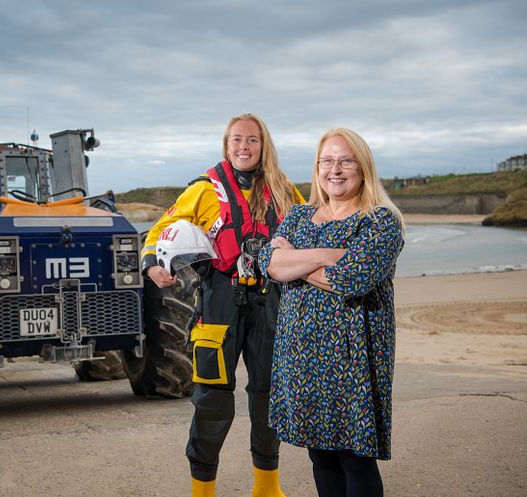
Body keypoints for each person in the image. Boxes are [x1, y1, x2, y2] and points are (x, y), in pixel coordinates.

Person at [141, 113, 305, 497]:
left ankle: (267, 487)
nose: (243, 147)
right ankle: (203, 491)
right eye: (236, 140)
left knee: (268, 396)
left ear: (264, 145)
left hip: (272, 302)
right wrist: (153, 266)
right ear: (226, 145)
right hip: (218, 304)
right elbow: (159, 231)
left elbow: (310, 227)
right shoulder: (203, 190)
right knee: (211, 401)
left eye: (251, 140)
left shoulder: (284, 190)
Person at [258, 128, 404, 497]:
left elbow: (353, 279)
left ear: (362, 166)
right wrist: (327, 255)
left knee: (356, 457)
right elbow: (268, 264)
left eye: (345, 161)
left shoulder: (380, 221)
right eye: (327, 161)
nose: (334, 170)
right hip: (301, 353)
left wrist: (295, 260)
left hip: (353, 355)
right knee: (320, 456)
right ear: (317, 168)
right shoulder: (298, 216)